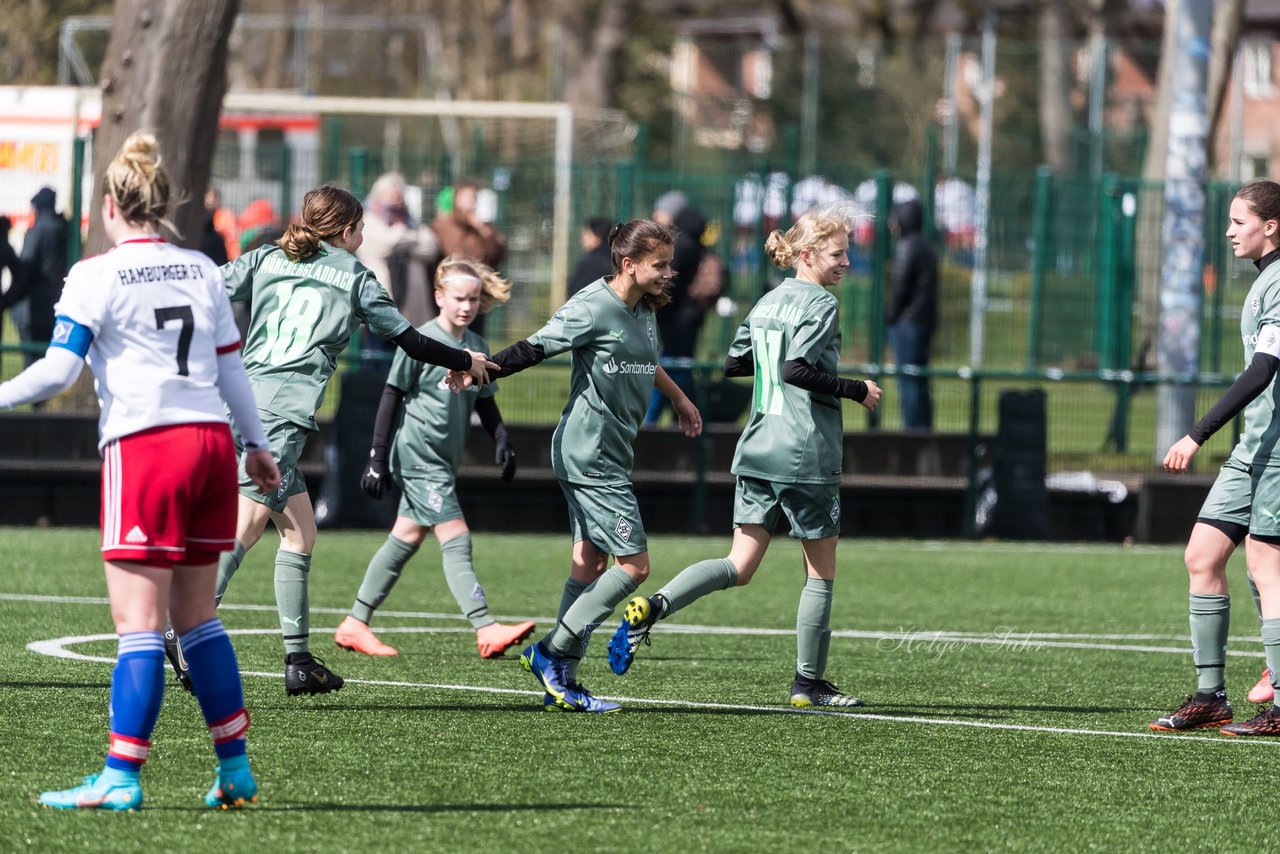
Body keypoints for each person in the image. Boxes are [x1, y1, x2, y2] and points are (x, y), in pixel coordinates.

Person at [0, 132, 280, 810]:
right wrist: (257, 442)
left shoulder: (95, 273)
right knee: (199, 618)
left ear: (108, 206)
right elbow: (232, 366)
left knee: (139, 625)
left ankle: (120, 779)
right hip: (212, 441)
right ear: (160, 205)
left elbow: (60, 370)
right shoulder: (202, 267)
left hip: (146, 447)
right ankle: (235, 769)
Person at [208, 185, 498, 697]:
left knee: (299, 532)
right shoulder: (353, 275)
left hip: (244, 400)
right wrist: (466, 360)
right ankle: (183, 630)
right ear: (345, 231)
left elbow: (208, 289)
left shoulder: (267, 255)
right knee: (247, 525)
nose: (363, 236)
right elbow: (409, 339)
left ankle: (299, 660)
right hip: (281, 414)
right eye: (360, 227)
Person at [608, 209, 882, 709]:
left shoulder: (770, 300)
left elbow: (737, 363)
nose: (847, 261)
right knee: (820, 571)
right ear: (807, 255)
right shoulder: (820, 303)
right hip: (805, 453)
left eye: (848, 252)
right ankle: (808, 683)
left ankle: (656, 605)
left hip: (756, 448)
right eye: (838, 253)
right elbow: (796, 369)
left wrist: (775, 364)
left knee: (739, 564)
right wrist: (855, 389)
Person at [489, 219, 702, 713]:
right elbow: (535, 346)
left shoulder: (642, 307)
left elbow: (646, 360)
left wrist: (679, 398)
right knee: (635, 566)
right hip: (589, 454)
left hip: (608, 452)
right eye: (661, 265)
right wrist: (482, 370)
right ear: (628, 265)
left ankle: (561, 677)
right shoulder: (592, 307)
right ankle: (551, 653)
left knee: (590, 562)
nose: (671, 273)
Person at [334, 254, 535, 659]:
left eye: (474, 300)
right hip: (418, 459)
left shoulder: (476, 346)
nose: (466, 307)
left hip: (443, 463)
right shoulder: (421, 340)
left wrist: (502, 440)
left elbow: (485, 400)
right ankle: (486, 627)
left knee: (404, 538)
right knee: (456, 537)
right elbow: (391, 396)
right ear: (439, 296)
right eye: (459, 298)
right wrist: (377, 456)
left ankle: (354, 623)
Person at [1150, 178, 1280, 737]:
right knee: (1202, 556)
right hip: (1253, 448)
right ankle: (1211, 696)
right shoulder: (1262, 282)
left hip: (1277, 454)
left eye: (1238, 221)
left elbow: (1262, 371)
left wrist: (1196, 434)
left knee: (1264, 566)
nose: (1228, 231)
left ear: (1270, 226)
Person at [644, 201, 711, 426]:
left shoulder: (682, 247)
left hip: (676, 318)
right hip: (689, 317)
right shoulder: (699, 248)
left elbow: (670, 282)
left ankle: (653, 419)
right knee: (678, 366)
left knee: (670, 367)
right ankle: (680, 415)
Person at [358, 172, 441, 328]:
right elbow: (388, 243)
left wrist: (406, 245)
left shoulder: (409, 218)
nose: (395, 199)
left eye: (398, 194)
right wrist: (405, 232)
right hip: (380, 295)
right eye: (389, 194)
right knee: (377, 348)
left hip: (412, 303)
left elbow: (431, 246)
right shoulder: (368, 219)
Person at [431, 179, 507, 337]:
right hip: (452, 291)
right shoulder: (445, 224)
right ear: (455, 199)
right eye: (466, 198)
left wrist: (484, 232)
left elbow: (498, 254)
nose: (470, 203)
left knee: (475, 337)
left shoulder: (483, 226)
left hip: (477, 291)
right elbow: (454, 255)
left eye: (474, 198)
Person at [887, 197, 938, 431]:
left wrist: (893, 315)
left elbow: (900, 287)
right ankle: (924, 430)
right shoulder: (927, 245)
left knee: (908, 381)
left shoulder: (907, 246)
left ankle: (913, 433)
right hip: (924, 321)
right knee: (920, 380)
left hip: (909, 322)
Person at [5, 187, 68, 369]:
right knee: (49, 360)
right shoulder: (64, 229)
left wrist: (8, 300)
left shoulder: (38, 230)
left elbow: (26, 267)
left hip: (32, 308)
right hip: (56, 304)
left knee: (31, 362)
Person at [567, 217, 613, 298]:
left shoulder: (591, 262)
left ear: (597, 236)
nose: (582, 239)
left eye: (587, 235)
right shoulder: (614, 259)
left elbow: (575, 290)